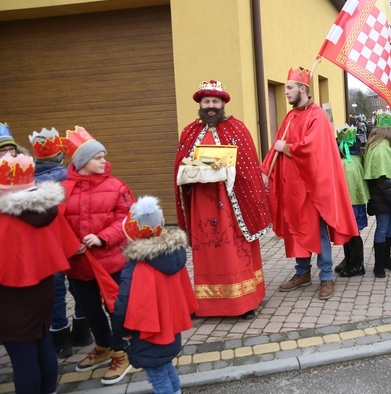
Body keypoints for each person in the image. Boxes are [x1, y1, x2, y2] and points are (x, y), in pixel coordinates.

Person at [174, 79, 271, 320]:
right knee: (206, 252)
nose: (210, 106)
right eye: (206, 101)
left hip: (231, 204)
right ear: (200, 103)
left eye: (215, 101)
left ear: (222, 104)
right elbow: (180, 165)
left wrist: (227, 172)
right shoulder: (189, 131)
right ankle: (206, 303)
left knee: (233, 251)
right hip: (200, 204)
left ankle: (244, 301)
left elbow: (248, 168)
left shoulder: (236, 128)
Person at [261, 67, 358, 300]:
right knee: (296, 228)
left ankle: (326, 277)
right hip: (292, 187)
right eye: (285, 88)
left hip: (312, 187)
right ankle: (302, 273)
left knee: (317, 230)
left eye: (289, 88)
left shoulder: (317, 116)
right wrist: (265, 170)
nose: (286, 92)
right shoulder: (291, 116)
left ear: (302, 89)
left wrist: (288, 148)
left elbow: (313, 148)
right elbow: (276, 145)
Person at [0, 139, 82, 394]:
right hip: (44, 287)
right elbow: (68, 245)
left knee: (22, 356)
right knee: (42, 343)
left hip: (9, 293)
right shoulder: (47, 206)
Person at [61, 126, 135, 385]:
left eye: (104, 156)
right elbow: (56, 223)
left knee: (117, 308)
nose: (105, 161)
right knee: (90, 309)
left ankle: (121, 351)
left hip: (112, 260)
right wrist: (68, 244)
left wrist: (101, 237)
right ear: (82, 162)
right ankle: (103, 346)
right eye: (98, 157)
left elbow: (127, 218)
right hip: (78, 264)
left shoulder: (116, 186)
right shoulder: (63, 188)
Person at [112, 196, 198, 394]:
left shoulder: (135, 266)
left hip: (147, 333)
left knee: (157, 375)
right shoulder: (173, 255)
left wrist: (119, 332)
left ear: (131, 234)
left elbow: (123, 305)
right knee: (164, 366)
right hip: (169, 327)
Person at [30, 127, 92, 359]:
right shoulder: (72, 177)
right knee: (80, 287)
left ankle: (60, 340)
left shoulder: (26, 181)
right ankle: (82, 331)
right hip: (74, 242)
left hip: (46, 246)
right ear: (60, 155)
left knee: (54, 292)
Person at [362, 110, 391, 278]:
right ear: (387, 130)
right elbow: (382, 178)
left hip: (385, 195)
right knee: (382, 228)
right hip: (384, 196)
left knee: (387, 229)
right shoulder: (381, 148)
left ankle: (386, 259)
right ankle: (378, 265)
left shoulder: (381, 145)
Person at [334, 125, 369, 277]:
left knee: (352, 232)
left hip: (349, 203)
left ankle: (357, 264)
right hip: (355, 201)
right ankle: (349, 261)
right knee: (351, 232)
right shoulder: (357, 159)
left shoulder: (345, 163)